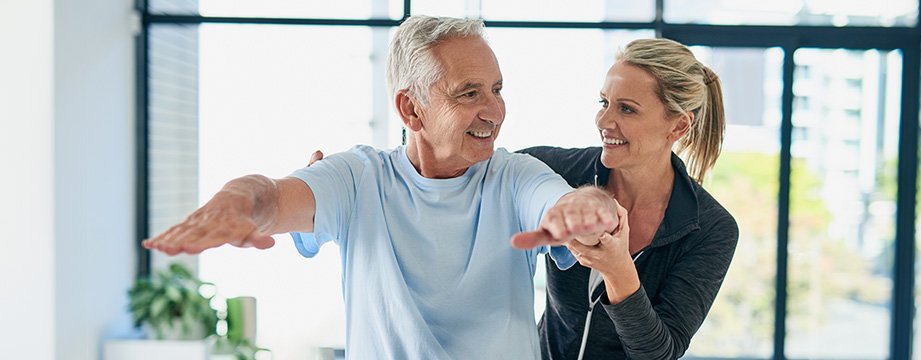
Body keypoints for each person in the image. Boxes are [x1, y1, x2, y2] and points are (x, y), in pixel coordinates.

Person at [142, 16, 618, 359]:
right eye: (468, 93)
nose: (493, 110)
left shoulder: (515, 176)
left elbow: (560, 202)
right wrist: (240, 201)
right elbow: (274, 197)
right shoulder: (358, 178)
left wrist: (589, 206)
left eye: (497, 89)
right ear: (411, 111)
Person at [517, 38, 739, 359]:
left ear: (678, 126)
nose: (603, 121)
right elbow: (482, 175)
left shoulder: (711, 228)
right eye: (603, 102)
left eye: (626, 109)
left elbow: (659, 353)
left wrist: (618, 271)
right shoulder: (561, 172)